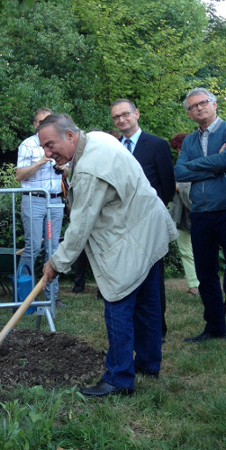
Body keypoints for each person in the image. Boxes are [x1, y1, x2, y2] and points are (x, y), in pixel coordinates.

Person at [39, 114, 178, 397]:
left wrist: (56, 262)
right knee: (148, 302)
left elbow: (80, 225)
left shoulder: (90, 168)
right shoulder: (98, 138)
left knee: (118, 302)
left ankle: (119, 378)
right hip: (147, 226)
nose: (47, 152)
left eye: (50, 144)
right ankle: (150, 363)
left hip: (132, 235)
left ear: (70, 136)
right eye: (43, 147)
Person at [111, 99, 175, 339]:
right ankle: (137, 326)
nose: (121, 120)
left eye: (125, 114)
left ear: (136, 114)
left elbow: (167, 185)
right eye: (116, 117)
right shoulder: (114, 146)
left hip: (149, 221)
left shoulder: (157, 145)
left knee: (153, 277)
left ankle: (158, 330)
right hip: (121, 223)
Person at [174, 88, 226, 342]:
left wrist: (217, 163)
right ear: (189, 114)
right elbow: (179, 173)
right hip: (201, 214)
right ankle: (215, 327)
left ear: (214, 104)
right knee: (205, 273)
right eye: (193, 107)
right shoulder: (190, 142)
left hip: (225, 209)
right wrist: (216, 166)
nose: (199, 108)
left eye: (203, 103)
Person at [16, 107, 68, 308]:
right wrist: (40, 162)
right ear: (34, 124)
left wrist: (64, 170)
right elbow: (20, 176)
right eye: (40, 122)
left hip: (55, 200)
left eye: (48, 121)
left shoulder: (60, 142)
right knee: (33, 247)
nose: (44, 125)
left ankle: (52, 297)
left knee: (53, 248)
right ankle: (25, 297)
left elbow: (68, 172)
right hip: (34, 199)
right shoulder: (28, 145)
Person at [169, 133, 199, 296]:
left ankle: (204, 281)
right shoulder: (178, 165)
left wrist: (179, 188)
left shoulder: (199, 162)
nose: (179, 152)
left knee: (202, 250)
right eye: (178, 149)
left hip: (200, 212)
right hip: (181, 214)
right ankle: (193, 284)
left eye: (181, 148)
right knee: (185, 250)